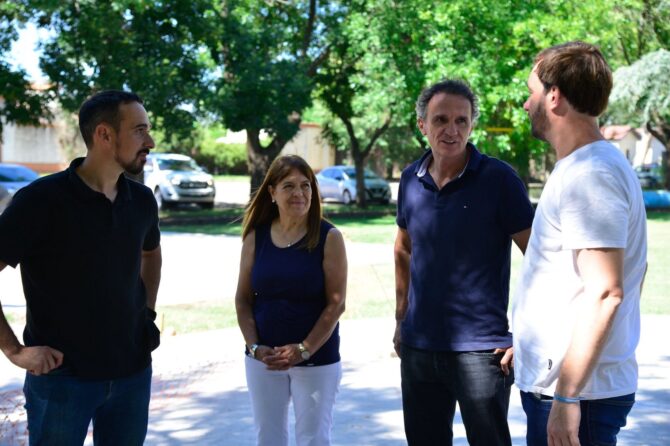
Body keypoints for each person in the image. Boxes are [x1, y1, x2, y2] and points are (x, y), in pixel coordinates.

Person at [0, 90, 162, 445]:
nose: (149, 142)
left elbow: (151, 254)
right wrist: (15, 351)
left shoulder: (142, 200)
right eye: (139, 130)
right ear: (104, 134)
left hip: (132, 373)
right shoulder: (40, 201)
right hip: (61, 378)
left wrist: (146, 313)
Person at [512, 41, 648, 446]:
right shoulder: (582, 166)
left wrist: (567, 395)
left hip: (581, 396)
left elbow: (606, 291)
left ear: (554, 96)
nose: (526, 104)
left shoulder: (591, 174)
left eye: (532, 92)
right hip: (569, 386)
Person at [394, 79, 534, 446]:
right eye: (440, 120)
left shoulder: (499, 179)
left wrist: (525, 333)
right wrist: (400, 319)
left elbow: (539, 259)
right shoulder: (410, 180)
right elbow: (403, 249)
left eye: (462, 120)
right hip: (419, 347)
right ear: (422, 125)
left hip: (482, 351)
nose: (452, 130)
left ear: (472, 125)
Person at [235, 155, 347, 446]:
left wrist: (304, 350)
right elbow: (243, 300)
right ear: (272, 192)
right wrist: (255, 347)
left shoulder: (329, 237)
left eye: (305, 185)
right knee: (268, 439)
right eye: (289, 186)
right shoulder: (255, 238)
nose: (299, 193)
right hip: (264, 360)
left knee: (313, 439)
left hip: (316, 360)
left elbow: (336, 303)